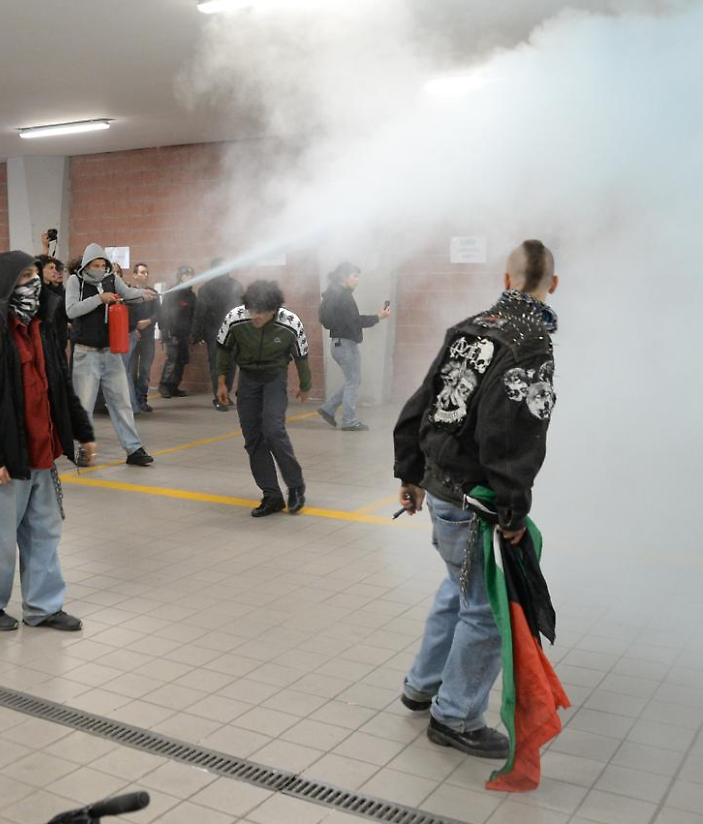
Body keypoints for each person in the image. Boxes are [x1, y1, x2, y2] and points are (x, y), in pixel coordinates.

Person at [393, 240, 560, 759]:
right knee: (485, 610)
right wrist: (513, 507)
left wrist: (410, 471)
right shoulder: (530, 344)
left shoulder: (469, 327)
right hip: (474, 500)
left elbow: (423, 399)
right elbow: (510, 434)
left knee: (456, 587)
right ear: (551, 285)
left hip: (440, 485)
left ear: (506, 278)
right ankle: (456, 717)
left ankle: (422, 684)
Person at [0, 250, 95, 631]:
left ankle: (43, 607)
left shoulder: (43, 330)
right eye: (23, 278)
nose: (33, 284)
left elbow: (60, 389)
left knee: (44, 534)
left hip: (43, 455)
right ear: (4, 285)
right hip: (8, 457)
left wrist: (82, 432)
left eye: (35, 276)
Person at [216, 280, 311, 517]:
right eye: (252, 310)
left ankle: (296, 485)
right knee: (253, 436)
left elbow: (301, 356)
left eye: (260, 312)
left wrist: (305, 385)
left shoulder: (290, 323)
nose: (255, 316)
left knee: (273, 429)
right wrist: (221, 382)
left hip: (274, 377)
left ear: (274, 310)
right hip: (248, 378)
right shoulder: (236, 318)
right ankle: (271, 495)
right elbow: (223, 349)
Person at [64, 243, 156, 466]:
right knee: (84, 406)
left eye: (103, 265)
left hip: (111, 351)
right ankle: (84, 451)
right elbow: (71, 310)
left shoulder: (112, 279)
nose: (100, 268)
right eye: (95, 265)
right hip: (85, 353)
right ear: (86, 265)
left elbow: (128, 294)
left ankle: (134, 449)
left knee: (122, 402)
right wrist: (99, 299)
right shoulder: (75, 281)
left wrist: (143, 295)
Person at [317, 262, 392, 431]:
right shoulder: (343, 296)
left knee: (354, 380)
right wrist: (378, 317)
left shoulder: (335, 294)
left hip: (340, 343)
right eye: (354, 276)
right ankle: (349, 421)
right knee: (353, 381)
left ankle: (328, 408)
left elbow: (350, 321)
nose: (357, 280)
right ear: (344, 277)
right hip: (345, 344)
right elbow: (356, 321)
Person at [194, 263, 243, 411]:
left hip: (215, 332)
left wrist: (197, 334)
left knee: (217, 366)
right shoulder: (236, 285)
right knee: (230, 364)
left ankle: (221, 397)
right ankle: (224, 395)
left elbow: (200, 314)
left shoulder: (205, 288)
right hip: (233, 331)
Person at [123, 262, 158, 413]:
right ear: (135, 275)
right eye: (142, 272)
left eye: (147, 272)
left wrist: (149, 321)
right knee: (130, 370)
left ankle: (142, 400)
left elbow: (159, 313)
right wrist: (132, 329)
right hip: (132, 337)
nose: (145, 275)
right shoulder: (129, 293)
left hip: (148, 338)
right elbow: (124, 314)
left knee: (144, 370)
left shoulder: (153, 293)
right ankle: (131, 402)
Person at [158, 265, 196, 399]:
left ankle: (174, 386)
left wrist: (193, 333)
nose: (189, 278)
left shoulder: (191, 295)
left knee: (182, 360)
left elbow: (193, 315)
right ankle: (164, 386)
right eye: (186, 275)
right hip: (172, 333)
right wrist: (164, 330)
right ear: (180, 276)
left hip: (184, 334)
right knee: (172, 360)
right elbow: (163, 312)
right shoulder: (173, 292)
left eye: (191, 276)